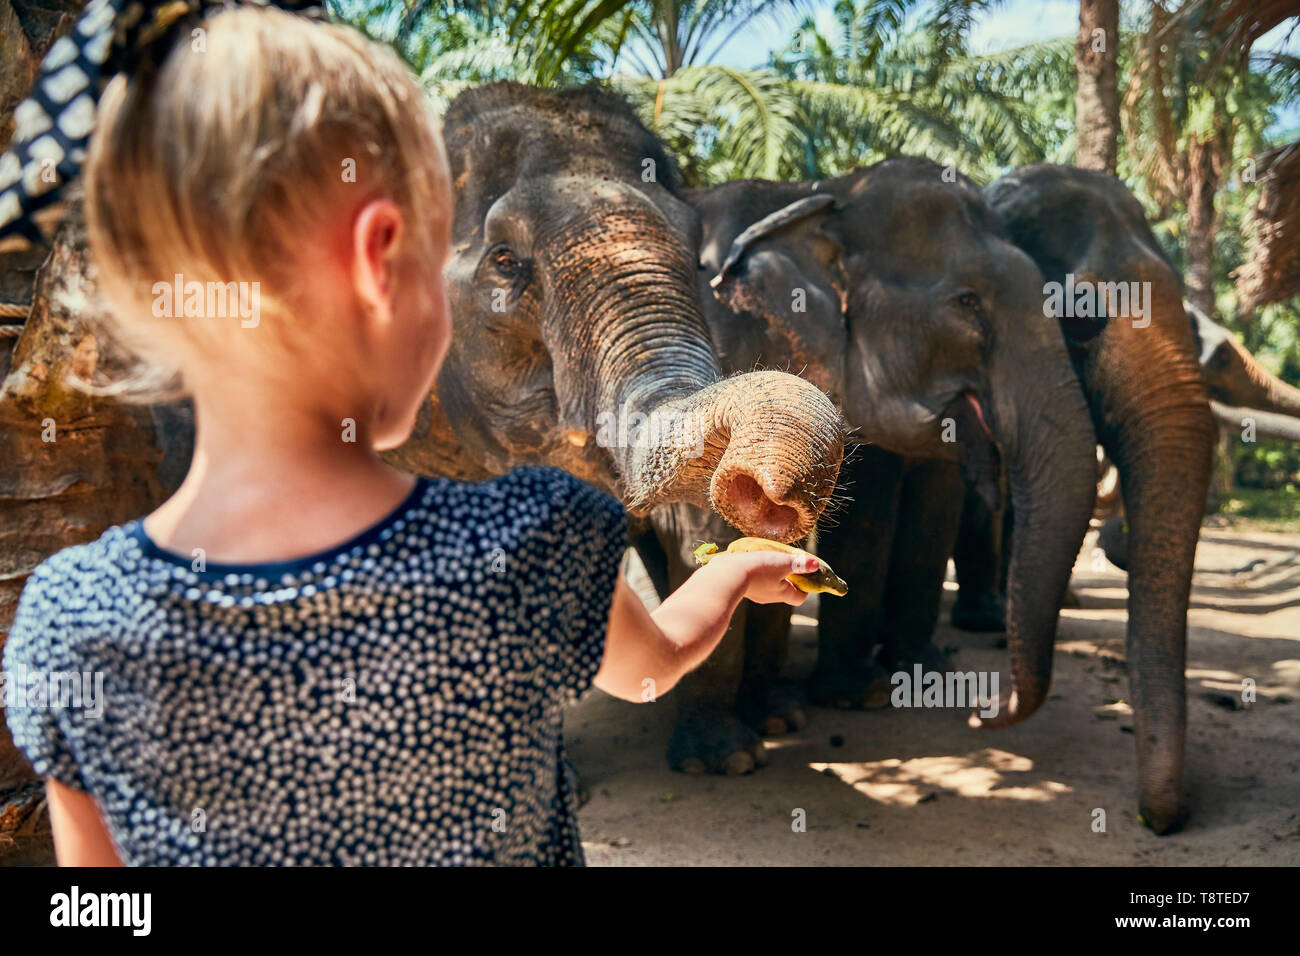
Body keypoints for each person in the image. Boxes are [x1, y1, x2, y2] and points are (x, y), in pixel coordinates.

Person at [1, 2, 818, 866]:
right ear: (379, 258)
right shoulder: (535, 535)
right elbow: (652, 669)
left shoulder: (67, 614)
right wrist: (732, 577)